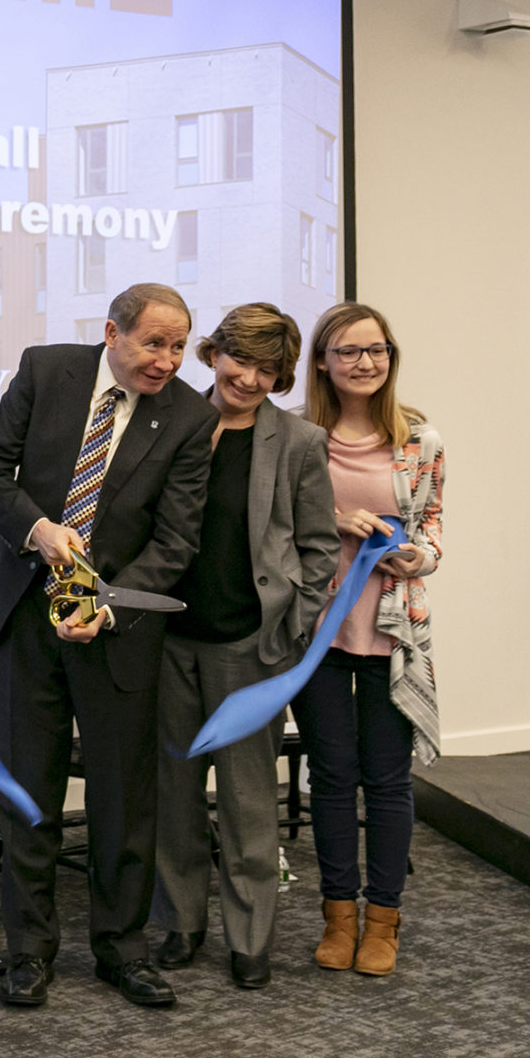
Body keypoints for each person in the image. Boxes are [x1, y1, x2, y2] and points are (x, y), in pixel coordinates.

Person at [0, 283, 215, 1009]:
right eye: (154, 343)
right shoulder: (48, 371)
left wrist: (106, 610)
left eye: (177, 346)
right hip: (29, 619)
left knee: (123, 799)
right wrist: (38, 529)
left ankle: (122, 948)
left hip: (117, 633)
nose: (167, 360)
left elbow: (177, 540)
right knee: (29, 793)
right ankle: (29, 951)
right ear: (113, 332)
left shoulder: (190, 418)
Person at [149, 304, 338, 989]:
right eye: (241, 361)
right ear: (213, 353)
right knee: (173, 797)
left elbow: (318, 548)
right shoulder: (167, 423)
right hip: (168, 644)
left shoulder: (297, 443)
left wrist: (294, 623)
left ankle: (251, 939)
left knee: (248, 802)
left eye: (269, 370)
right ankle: (181, 926)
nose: (252, 379)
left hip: (251, 650)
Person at [290, 302, 444, 977]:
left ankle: (383, 920)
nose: (365, 362)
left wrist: (418, 557)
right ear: (322, 360)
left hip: (393, 627)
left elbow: (435, 528)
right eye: (349, 351)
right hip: (317, 628)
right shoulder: (295, 437)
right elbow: (272, 523)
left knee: (385, 781)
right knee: (330, 778)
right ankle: (338, 917)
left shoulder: (422, 439)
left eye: (376, 349)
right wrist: (333, 518)